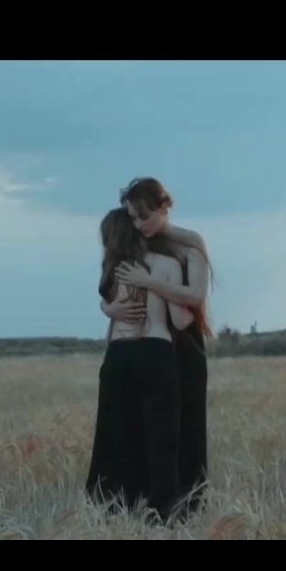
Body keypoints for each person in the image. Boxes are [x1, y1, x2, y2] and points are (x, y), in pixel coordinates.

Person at [102, 176, 214, 515]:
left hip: (184, 342)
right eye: (133, 218)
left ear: (164, 207)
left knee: (187, 426)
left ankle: (189, 505)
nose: (139, 224)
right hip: (151, 346)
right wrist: (109, 309)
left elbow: (196, 295)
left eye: (145, 216)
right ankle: (146, 504)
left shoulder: (190, 244)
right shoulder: (137, 241)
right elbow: (111, 285)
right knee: (144, 428)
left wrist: (149, 282)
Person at [85, 207, 195, 524]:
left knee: (116, 435)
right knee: (161, 438)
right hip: (156, 353)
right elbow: (179, 320)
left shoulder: (113, 270)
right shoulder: (168, 264)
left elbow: (106, 302)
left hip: (119, 357)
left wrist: (108, 308)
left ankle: (114, 509)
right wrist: (197, 310)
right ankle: (161, 514)